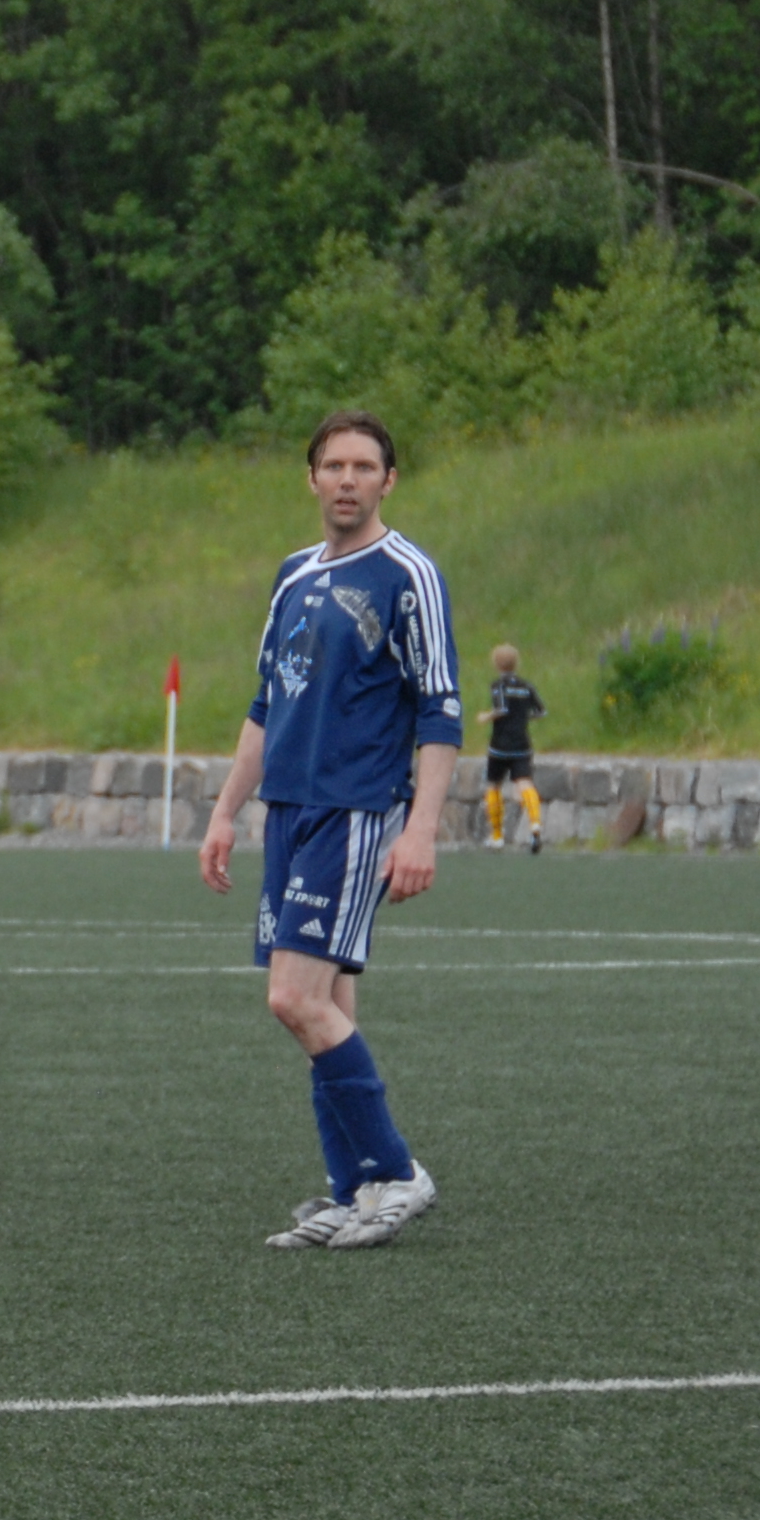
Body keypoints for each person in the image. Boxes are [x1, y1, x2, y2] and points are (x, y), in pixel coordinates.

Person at [197, 413, 461, 1250]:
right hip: (289, 811)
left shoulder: (408, 574)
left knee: (295, 998)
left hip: (355, 811)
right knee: (328, 1003)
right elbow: (266, 703)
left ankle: (397, 1171)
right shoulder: (293, 574)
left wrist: (420, 830)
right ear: (311, 478)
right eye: (334, 465)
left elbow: (440, 710)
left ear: (390, 480)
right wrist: (226, 810)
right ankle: (354, 1191)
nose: (348, 479)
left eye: (364, 466)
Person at [479, 643, 548, 852]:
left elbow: (501, 708)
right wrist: (523, 717)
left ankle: (497, 835)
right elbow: (541, 712)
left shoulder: (498, 685)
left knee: (493, 785)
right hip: (522, 744)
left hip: (500, 745)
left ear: (496, 664)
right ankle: (535, 825)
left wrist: (487, 716)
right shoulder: (526, 686)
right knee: (525, 783)